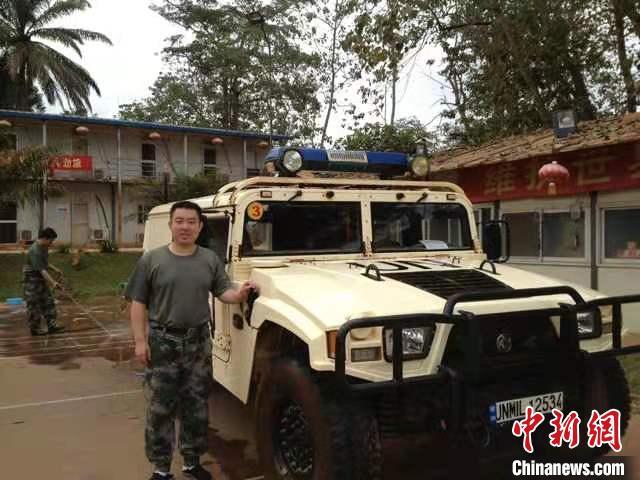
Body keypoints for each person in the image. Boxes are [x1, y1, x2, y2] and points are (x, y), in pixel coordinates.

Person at [125, 200, 256, 480]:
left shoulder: (209, 259)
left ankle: (192, 462)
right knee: (161, 407)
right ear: (171, 225)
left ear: (199, 226)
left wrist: (240, 294)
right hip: (163, 342)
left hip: (198, 342)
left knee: (196, 405)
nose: (185, 227)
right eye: (179, 221)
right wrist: (140, 341)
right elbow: (137, 302)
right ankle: (161, 468)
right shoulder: (152, 260)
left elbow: (223, 292)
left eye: (191, 222)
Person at [22, 227, 66, 336]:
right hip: (32, 281)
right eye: (51, 240)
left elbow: (44, 263)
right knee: (34, 305)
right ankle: (35, 329)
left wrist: (55, 269)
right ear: (45, 238)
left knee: (48, 301)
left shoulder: (44, 247)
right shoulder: (35, 250)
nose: (51, 243)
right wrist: (53, 283)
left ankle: (52, 325)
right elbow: (42, 270)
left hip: (40, 279)